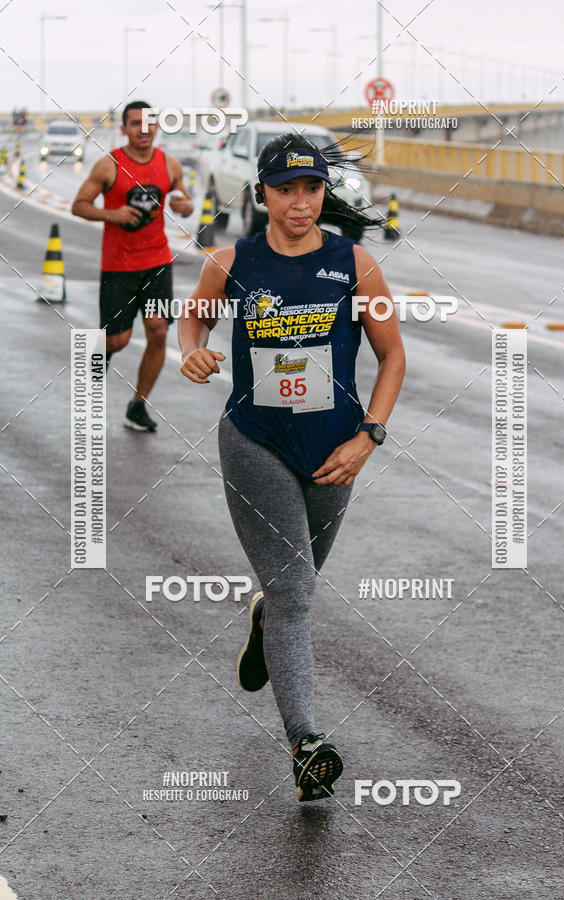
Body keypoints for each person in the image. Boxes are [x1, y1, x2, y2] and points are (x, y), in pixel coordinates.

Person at [179, 133, 406, 802]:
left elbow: (393, 356)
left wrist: (370, 437)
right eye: (286, 190)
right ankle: (308, 744)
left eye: (311, 189)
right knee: (297, 593)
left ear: (322, 193)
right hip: (256, 441)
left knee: (290, 593)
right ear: (263, 195)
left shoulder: (355, 263)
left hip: (335, 452)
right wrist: (191, 352)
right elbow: (193, 322)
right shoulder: (232, 261)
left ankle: (262, 617)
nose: (300, 202)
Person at [72, 100, 194, 431]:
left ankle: (137, 406)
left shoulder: (170, 164)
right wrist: (113, 214)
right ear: (123, 128)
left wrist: (185, 204)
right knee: (117, 340)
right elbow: (79, 206)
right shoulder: (109, 165)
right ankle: (90, 380)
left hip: (157, 262)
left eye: (150, 122)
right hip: (118, 266)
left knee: (158, 330)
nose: (144, 128)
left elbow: (183, 197)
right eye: (136, 122)